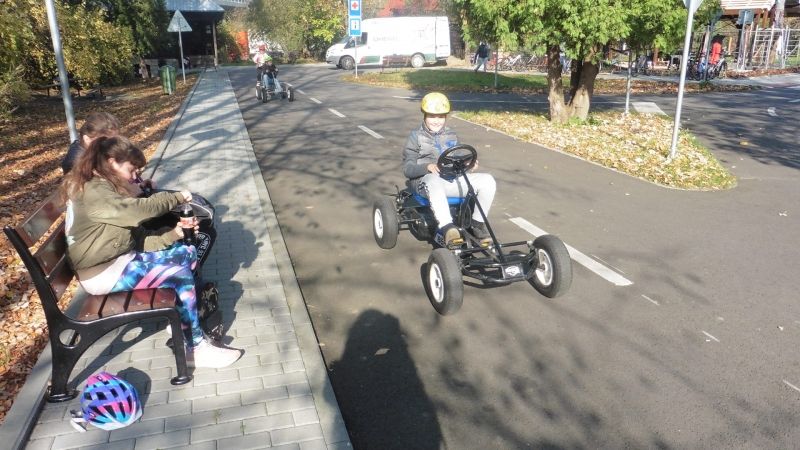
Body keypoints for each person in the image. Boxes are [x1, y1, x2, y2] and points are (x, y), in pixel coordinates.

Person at [60, 136, 243, 368]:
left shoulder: (105, 187)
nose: (134, 176)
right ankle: (194, 348)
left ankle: (184, 323)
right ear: (112, 162)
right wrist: (176, 197)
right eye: (131, 170)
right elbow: (136, 212)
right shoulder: (94, 191)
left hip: (119, 261)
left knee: (187, 253)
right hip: (102, 273)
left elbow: (137, 239)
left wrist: (174, 234)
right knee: (179, 275)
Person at [402, 92, 496, 246]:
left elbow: (456, 160)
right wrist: (427, 167)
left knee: (488, 180)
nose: (436, 121)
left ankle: (477, 224)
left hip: (449, 180)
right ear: (425, 115)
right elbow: (408, 169)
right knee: (433, 180)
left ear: (446, 117)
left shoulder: (451, 134)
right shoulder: (415, 137)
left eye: (441, 117)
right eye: (432, 116)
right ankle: (447, 227)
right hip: (424, 183)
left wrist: (467, 164)